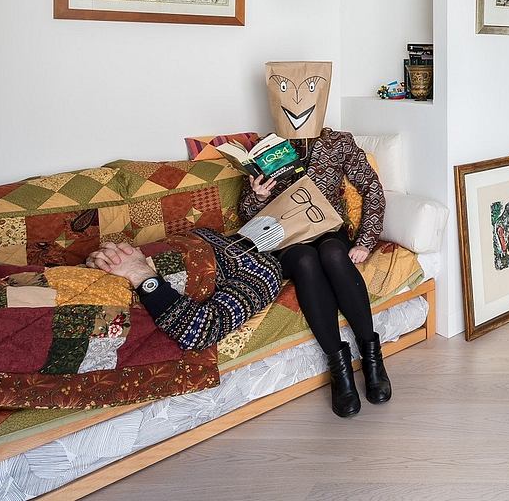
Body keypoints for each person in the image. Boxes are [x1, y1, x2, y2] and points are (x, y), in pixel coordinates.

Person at [239, 128, 391, 418]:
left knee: (332, 254)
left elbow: (372, 187)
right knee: (307, 259)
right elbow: (248, 214)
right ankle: (340, 371)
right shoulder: (267, 147)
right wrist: (258, 197)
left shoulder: (337, 141)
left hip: (329, 230)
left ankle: (373, 358)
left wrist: (365, 241)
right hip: (287, 241)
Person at [85, 228, 282, 351]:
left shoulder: (266, 267)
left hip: (132, 291)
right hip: (96, 274)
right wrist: (109, 257)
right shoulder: (209, 232)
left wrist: (140, 274)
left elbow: (202, 330)